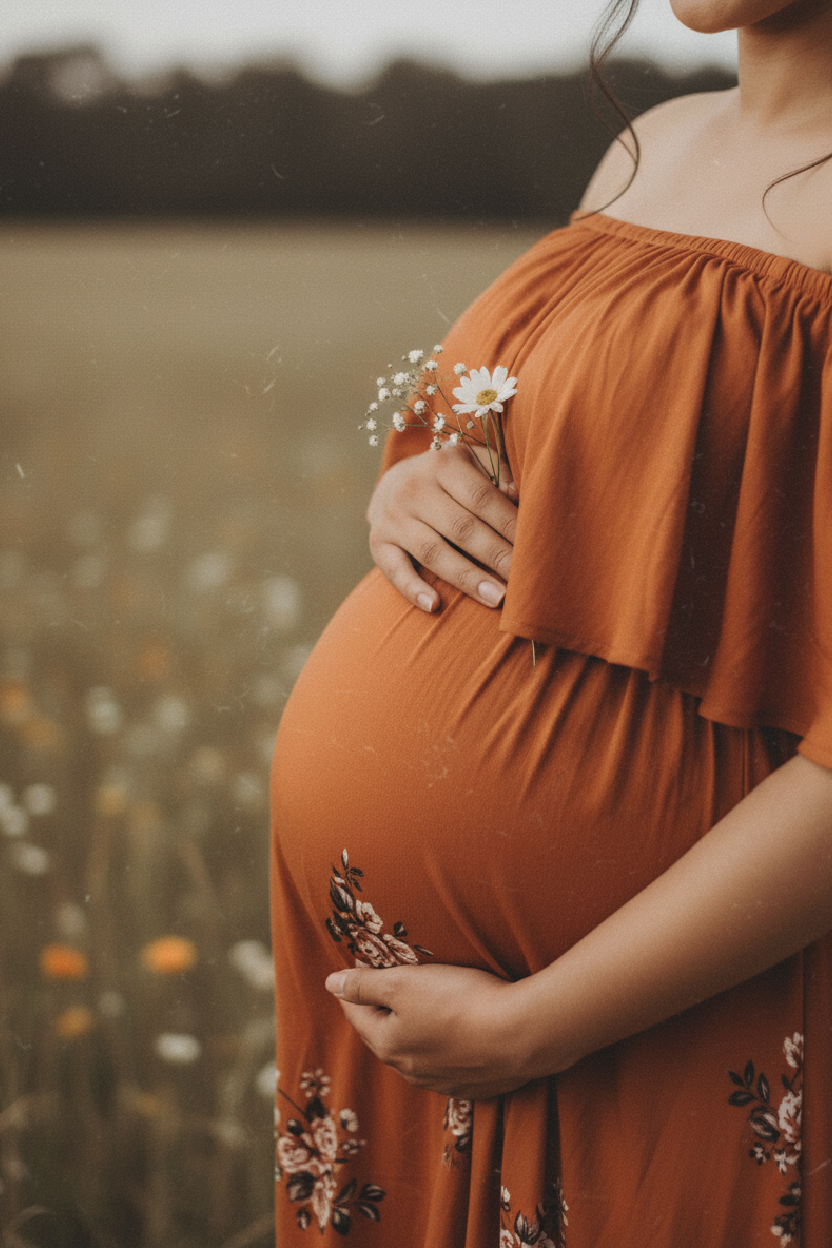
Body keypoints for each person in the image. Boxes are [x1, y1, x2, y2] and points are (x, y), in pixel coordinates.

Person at [270, 1, 832, 1243]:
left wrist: (541, 1022)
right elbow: (553, 470)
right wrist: (412, 489)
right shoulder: (658, 141)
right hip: (421, 1045)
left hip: (653, 1015)